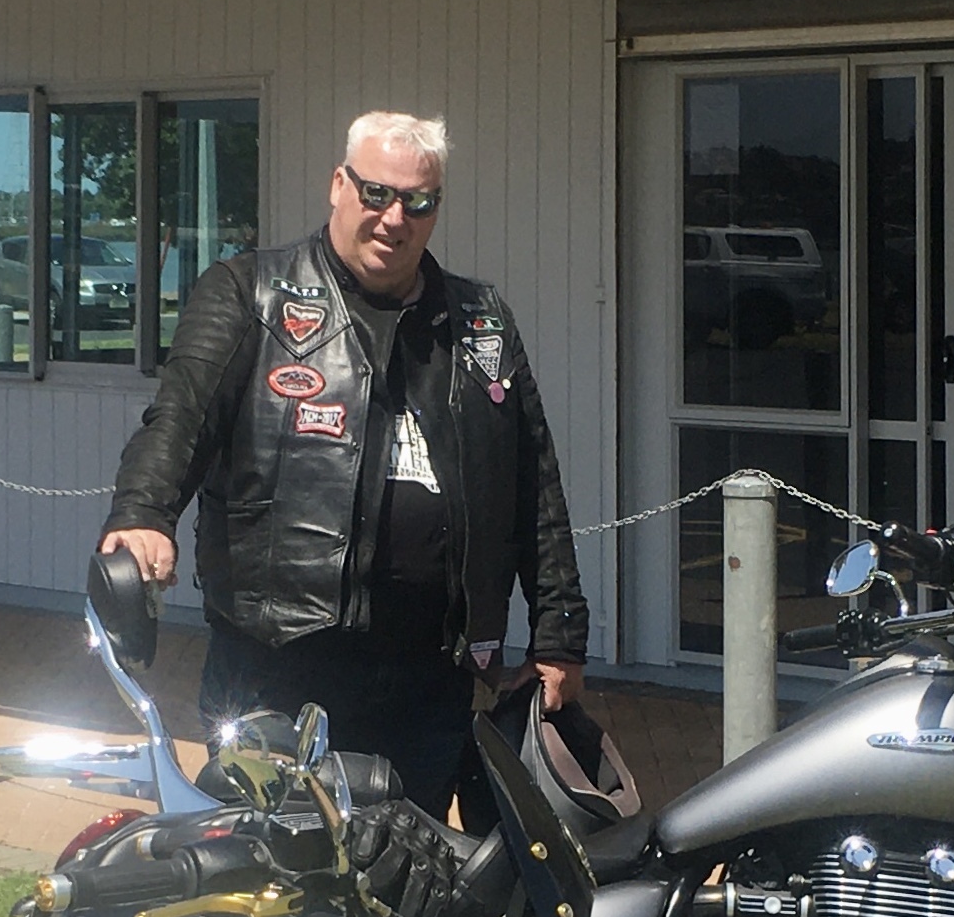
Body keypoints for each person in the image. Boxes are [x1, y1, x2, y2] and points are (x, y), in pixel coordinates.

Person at [99, 109, 588, 815]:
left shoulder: (479, 320)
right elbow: (178, 420)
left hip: (431, 674)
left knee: (412, 865)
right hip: (279, 666)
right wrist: (143, 513)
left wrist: (559, 638)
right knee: (279, 865)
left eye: (417, 201)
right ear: (339, 185)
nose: (394, 218)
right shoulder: (250, 293)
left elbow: (533, 484)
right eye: (376, 193)